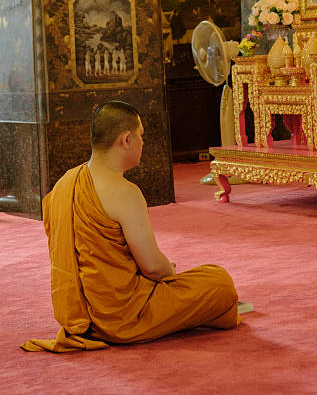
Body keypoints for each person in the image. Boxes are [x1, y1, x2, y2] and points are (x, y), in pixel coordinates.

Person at [21, 101, 240, 353]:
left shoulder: (63, 185)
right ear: (126, 139)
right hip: (124, 317)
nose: (143, 143)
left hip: (79, 317)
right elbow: (154, 268)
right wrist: (170, 271)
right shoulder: (125, 193)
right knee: (219, 282)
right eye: (141, 136)